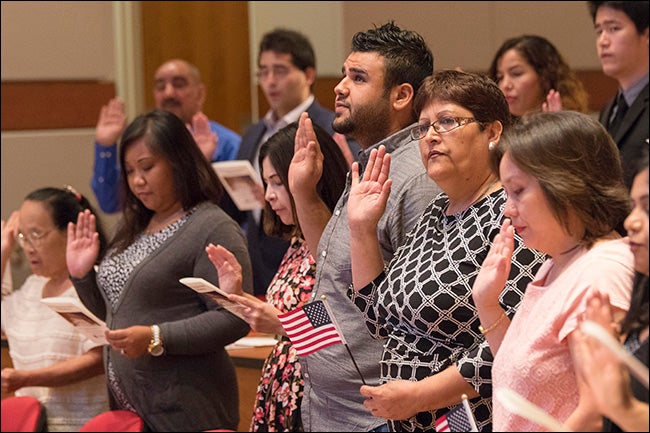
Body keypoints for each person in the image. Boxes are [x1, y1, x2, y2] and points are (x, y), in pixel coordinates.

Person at [345, 70, 546, 431]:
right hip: (409, 420)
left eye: (447, 121)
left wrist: (420, 396)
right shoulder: (436, 211)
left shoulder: (512, 213)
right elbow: (380, 320)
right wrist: (361, 229)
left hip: (477, 419)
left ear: (493, 132)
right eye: (423, 127)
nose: (431, 136)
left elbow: (511, 339)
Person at [288, 22, 441, 432]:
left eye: (358, 78)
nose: (339, 87)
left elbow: (421, 314)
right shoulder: (372, 160)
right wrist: (303, 193)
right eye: (344, 74)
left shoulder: (417, 177)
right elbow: (337, 267)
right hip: (331, 406)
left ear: (401, 95)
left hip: (375, 414)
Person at [66, 109, 253, 431]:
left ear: (178, 162)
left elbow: (234, 318)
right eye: (129, 171)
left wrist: (156, 336)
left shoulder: (211, 226)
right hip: (132, 407)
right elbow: (115, 316)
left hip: (186, 408)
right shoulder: (133, 225)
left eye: (147, 167)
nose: (138, 180)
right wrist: (83, 277)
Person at [471, 110, 635, 431]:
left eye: (518, 191)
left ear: (566, 184)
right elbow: (525, 381)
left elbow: (598, 416)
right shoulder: (558, 261)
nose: (507, 208)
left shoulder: (601, 273)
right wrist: (487, 304)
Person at [206, 121, 349, 432]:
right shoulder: (298, 239)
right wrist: (237, 296)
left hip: (324, 398)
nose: (268, 196)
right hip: (284, 387)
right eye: (266, 184)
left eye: (277, 183)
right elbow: (282, 314)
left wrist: (284, 324)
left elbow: (347, 319)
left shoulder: (342, 235)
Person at [235, 28, 361, 297]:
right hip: (265, 257)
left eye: (279, 71)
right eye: (263, 72)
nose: (269, 81)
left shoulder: (332, 128)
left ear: (309, 75)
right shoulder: (254, 134)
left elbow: (331, 319)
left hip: (318, 252)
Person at [1, 186, 110, 431]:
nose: (28, 247)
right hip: (31, 424)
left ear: (69, 232)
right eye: (23, 237)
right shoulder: (32, 287)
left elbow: (100, 358)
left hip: (83, 423)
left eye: (36, 235)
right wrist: (4, 253)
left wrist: (29, 378)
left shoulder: (90, 287)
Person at [91, 58, 242, 213]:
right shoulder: (144, 143)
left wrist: (199, 162)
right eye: (160, 87)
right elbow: (109, 203)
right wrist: (105, 145)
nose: (168, 93)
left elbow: (240, 212)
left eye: (179, 84)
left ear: (200, 94)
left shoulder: (228, 144)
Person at [573, 146, 649, 432]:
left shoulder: (607, 266)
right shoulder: (641, 295)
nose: (631, 222)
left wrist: (623, 408)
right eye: (634, 207)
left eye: (648, 208)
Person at [587, 1, 649, 190]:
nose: (603, 41)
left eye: (614, 28)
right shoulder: (609, 108)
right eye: (599, 31)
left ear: (646, 34)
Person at [487, 34, 589, 117]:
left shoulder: (573, 128)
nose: (505, 85)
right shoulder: (497, 131)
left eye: (516, 74)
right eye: (500, 77)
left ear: (545, 76)